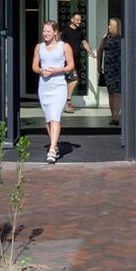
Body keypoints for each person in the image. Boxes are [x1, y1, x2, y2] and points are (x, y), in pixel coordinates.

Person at [31, 18, 73, 163]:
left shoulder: (64, 46)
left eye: (48, 31)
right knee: (49, 119)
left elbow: (71, 66)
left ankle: (52, 149)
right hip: (44, 87)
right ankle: (54, 145)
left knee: (55, 117)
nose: (45, 34)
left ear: (55, 32)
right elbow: (34, 66)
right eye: (44, 31)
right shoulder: (39, 47)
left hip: (58, 86)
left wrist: (57, 70)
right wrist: (42, 71)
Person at [98, 17, 123, 123]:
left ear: (116, 27)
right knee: (110, 92)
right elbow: (100, 51)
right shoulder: (105, 37)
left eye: (111, 25)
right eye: (109, 25)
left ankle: (116, 116)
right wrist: (99, 65)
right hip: (108, 69)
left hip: (119, 68)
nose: (108, 27)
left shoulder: (122, 38)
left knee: (117, 92)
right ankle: (112, 114)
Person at [63, 12, 91, 107]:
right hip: (67, 61)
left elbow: (84, 43)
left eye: (80, 20)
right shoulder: (66, 31)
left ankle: (65, 101)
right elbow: (59, 44)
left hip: (77, 60)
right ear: (72, 20)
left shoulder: (80, 31)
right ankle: (68, 101)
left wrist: (90, 52)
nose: (79, 21)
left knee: (72, 81)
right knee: (73, 80)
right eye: (77, 20)